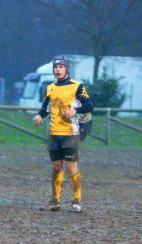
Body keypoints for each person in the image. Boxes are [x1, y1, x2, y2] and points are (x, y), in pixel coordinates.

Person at [33, 56, 93, 212]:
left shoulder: (77, 86)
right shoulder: (50, 87)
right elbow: (45, 107)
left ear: (66, 69)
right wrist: (39, 115)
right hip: (54, 134)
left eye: (60, 67)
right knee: (57, 168)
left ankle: (76, 200)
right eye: (55, 67)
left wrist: (75, 110)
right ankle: (55, 201)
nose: (57, 70)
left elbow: (89, 106)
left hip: (70, 134)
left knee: (71, 167)